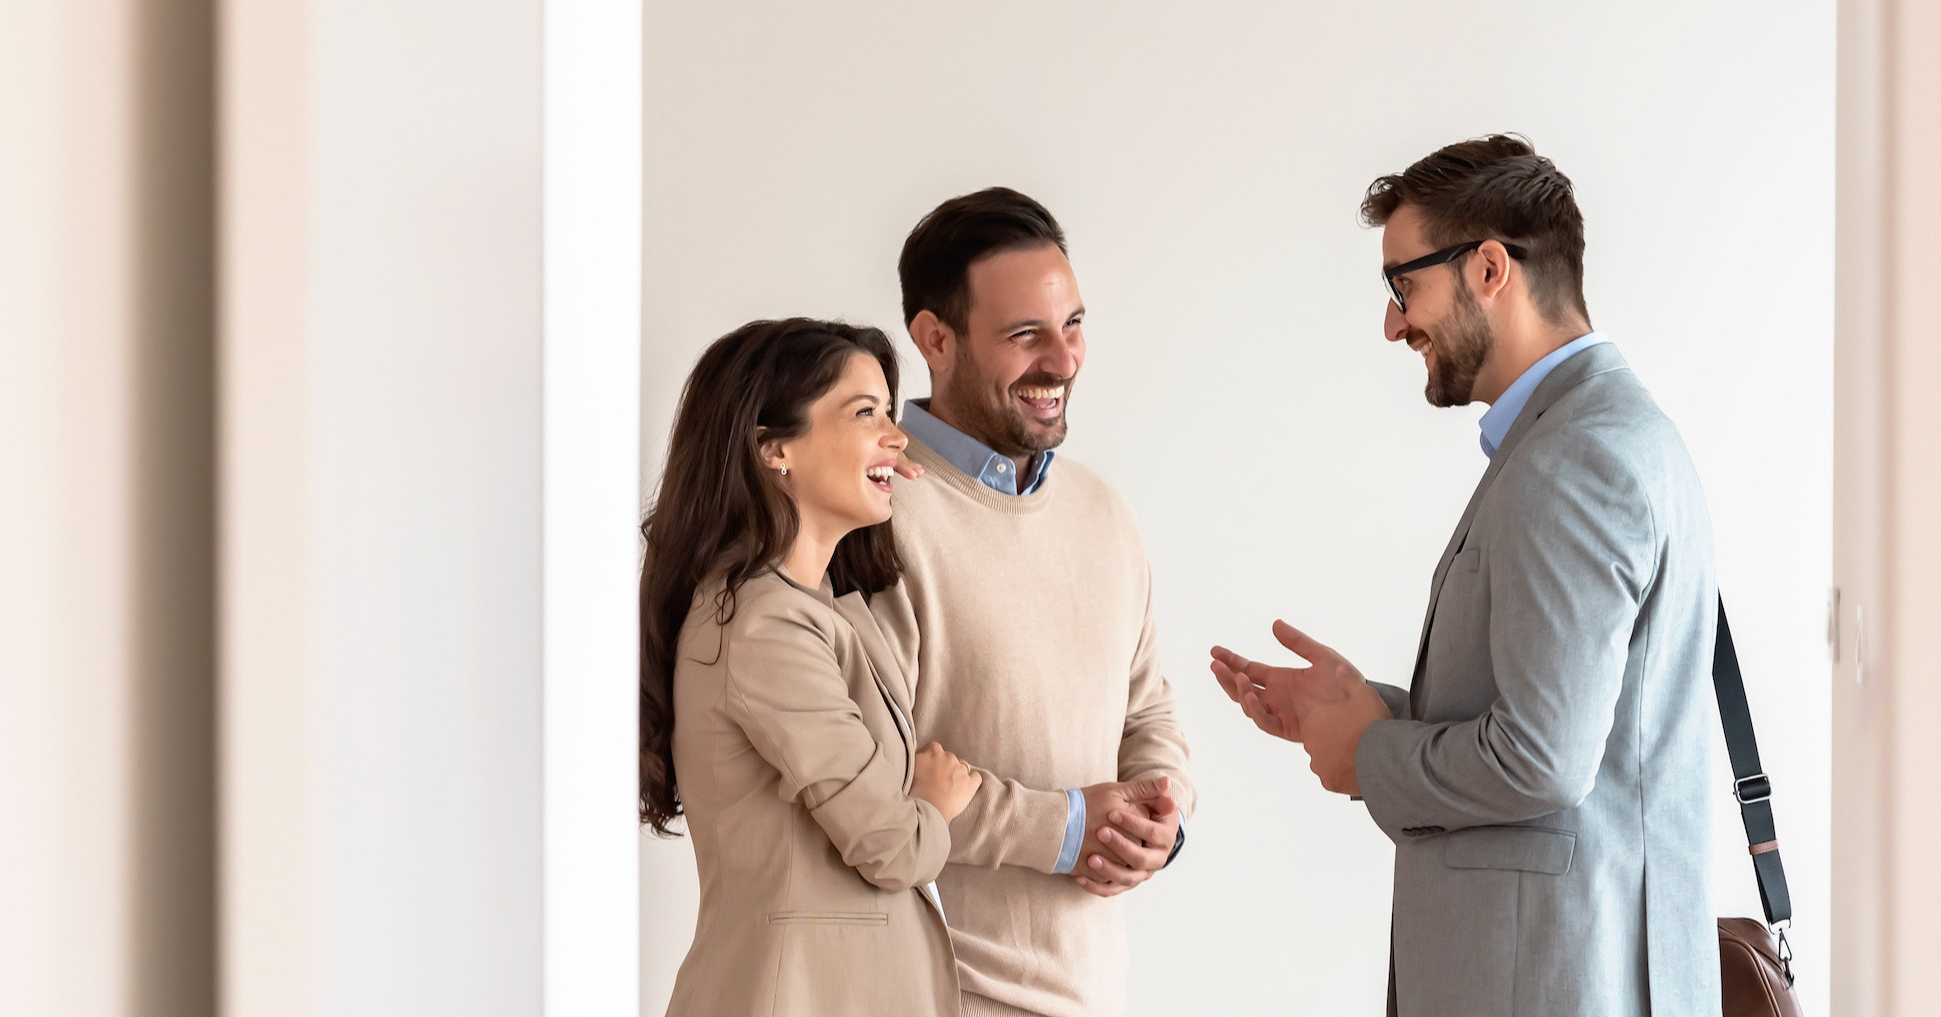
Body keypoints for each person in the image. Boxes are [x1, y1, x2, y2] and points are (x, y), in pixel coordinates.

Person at [1208, 136, 1722, 1017]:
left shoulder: (1574, 459)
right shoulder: (1607, 434)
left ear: (1489, 268)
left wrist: (1372, 755)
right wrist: (1361, 709)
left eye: (1403, 285)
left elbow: (1543, 758)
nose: (1394, 323)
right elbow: (1580, 728)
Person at [863, 187, 1195, 1017]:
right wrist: (1071, 827)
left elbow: (1147, 708)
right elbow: (865, 781)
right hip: (934, 993)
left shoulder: (1102, 513)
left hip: (1092, 992)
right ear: (934, 338)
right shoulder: (875, 513)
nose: (1063, 360)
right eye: (1025, 335)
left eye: (1073, 324)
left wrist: (1163, 813)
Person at [639, 318, 983, 1017]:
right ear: (774, 449)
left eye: (892, 413)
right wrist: (934, 802)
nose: (898, 436)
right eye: (866, 413)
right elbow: (892, 845)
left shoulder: (809, 607)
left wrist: (880, 465)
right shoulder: (767, 625)